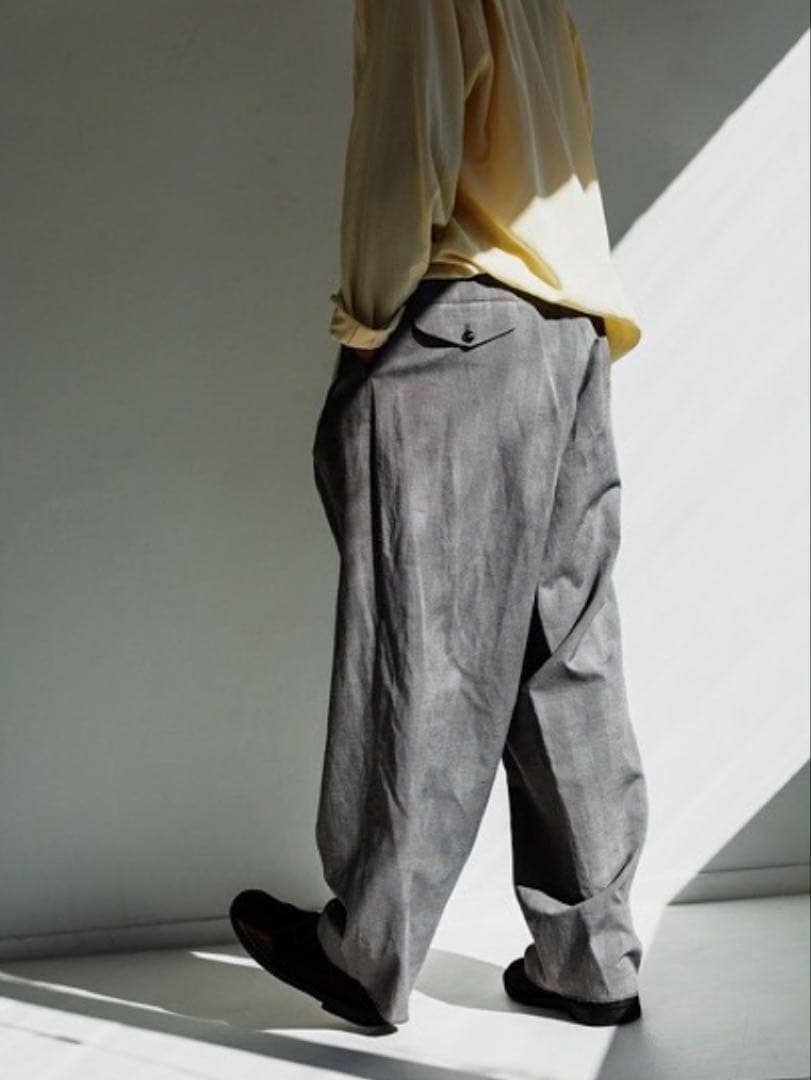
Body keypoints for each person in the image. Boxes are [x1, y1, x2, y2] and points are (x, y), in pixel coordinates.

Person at [230, 0, 649, 1034]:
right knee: (566, 652)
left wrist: (368, 319)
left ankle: (367, 951)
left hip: (459, 322)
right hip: (568, 325)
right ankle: (589, 957)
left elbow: (405, 140)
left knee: (421, 640)